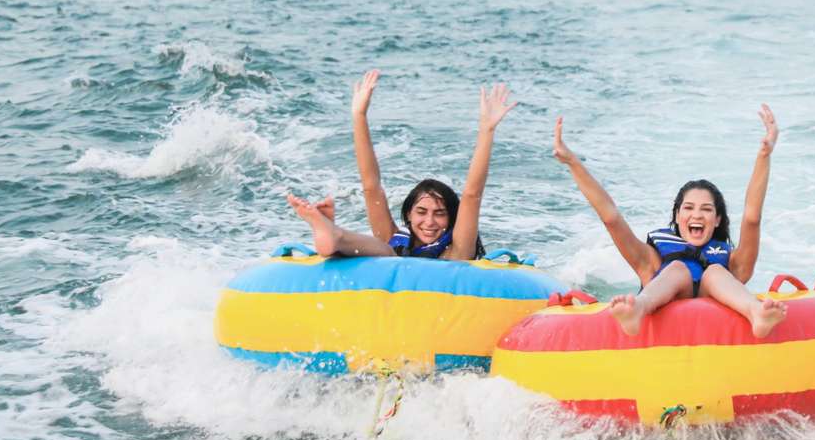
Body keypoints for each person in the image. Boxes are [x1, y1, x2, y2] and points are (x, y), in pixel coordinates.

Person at [552, 106, 787, 338]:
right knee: (677, 268)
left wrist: (764, 156)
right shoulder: (651, 261)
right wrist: (572, 162)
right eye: (688, 208)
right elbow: (611, 217)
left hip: (716, 290)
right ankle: (638, 309)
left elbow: (752, 217)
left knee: (714, 270)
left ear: (717, 220)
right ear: (677, 216)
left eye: (706, 209)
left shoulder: (733, 264)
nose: (697, 215)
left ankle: (756, 312)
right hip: (662, 291)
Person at [286, 69, 517, 261]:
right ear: (408, 214)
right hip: (389, 265)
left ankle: (334, 236)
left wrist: (487, 130)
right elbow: (371, 187)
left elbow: (472, 195)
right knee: (384, 248)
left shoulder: (457, 252)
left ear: (452, 220)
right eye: (421, 212)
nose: (429, 222)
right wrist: (359, 115)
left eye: (440, 214)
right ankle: (333, 236)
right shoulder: (395, 240)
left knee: (386, 250)